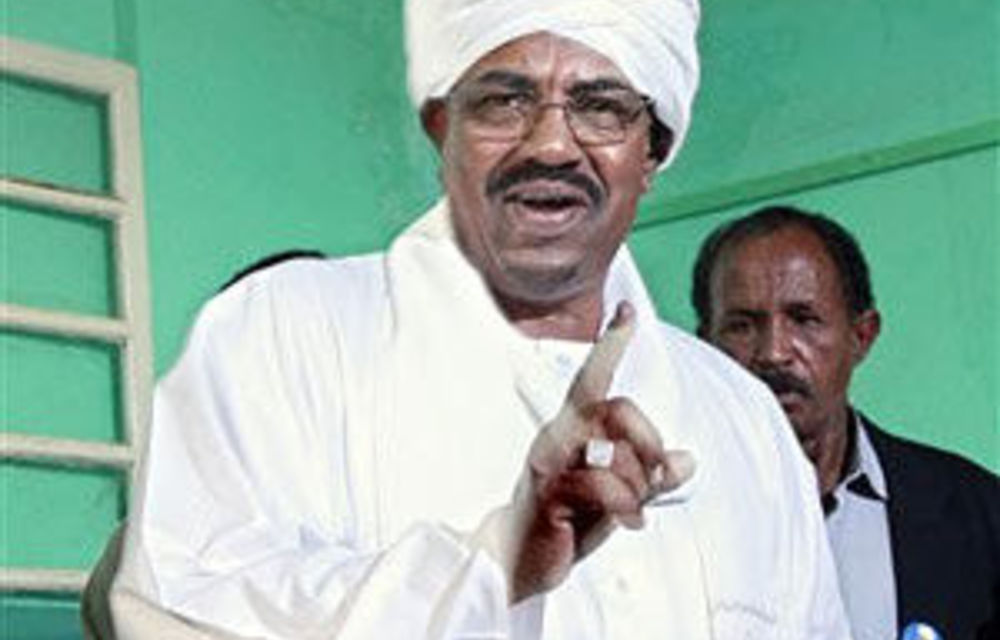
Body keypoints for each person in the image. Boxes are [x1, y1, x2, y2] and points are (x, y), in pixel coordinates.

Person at [84, 2, 851, 638]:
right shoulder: (282, 335)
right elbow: (174, 613)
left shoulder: (742, 418)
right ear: (439, 128)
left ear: (653, 151)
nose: (551, 144)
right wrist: (495, 567)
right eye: (504, 101)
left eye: (601, 108)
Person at [692, 205, 1000, 640]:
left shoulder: (978, 513)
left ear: (862, 335)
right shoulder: (659, 517)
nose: (774, 352)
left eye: (804, 319)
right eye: (742, 326)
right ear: (705, 348)